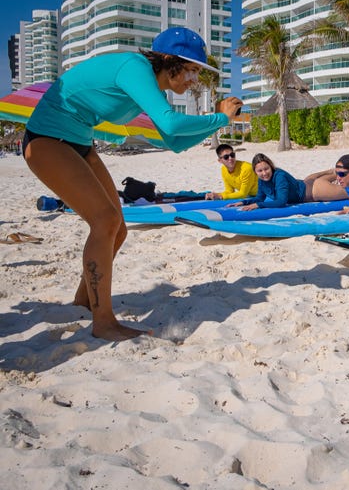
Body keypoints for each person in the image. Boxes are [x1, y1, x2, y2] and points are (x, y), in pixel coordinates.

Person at [22, 27, 243, 341]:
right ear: (170, 61)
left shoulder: (152, 85)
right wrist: (220, 118)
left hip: (79, 143)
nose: (193, 80)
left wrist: (218, 121)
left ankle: (84, 301)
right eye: (191, 71)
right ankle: (103, 323)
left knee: (118, 227)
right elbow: (171, 123)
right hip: (46, 141)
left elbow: (174, 141)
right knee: (105, 220)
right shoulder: (135, 69)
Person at [228, 153, 346, 210]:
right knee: (313, 178)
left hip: (314, 191)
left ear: (271, 167)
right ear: (255, 171)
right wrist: (244, 203)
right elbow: (260, 198)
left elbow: (281, 201)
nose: (264, 173)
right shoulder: (262, 180)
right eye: (260, 171)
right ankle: (333, 172)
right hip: (307, 181)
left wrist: (257, 205)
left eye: (266, 169)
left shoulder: (279, 176)